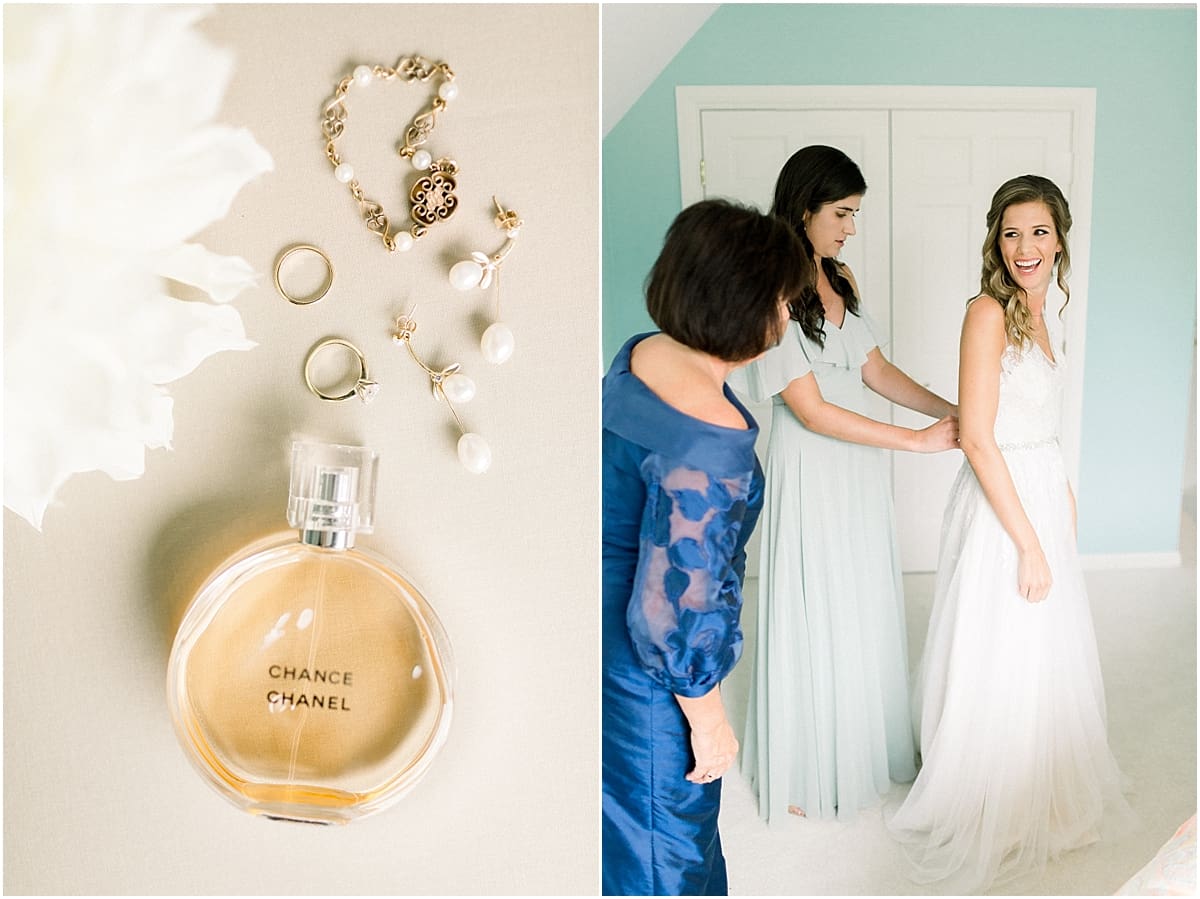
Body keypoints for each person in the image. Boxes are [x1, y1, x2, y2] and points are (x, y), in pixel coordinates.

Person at [887, 175, 1136, 892]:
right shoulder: (988, 312)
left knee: (1044, 649)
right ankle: (991, 796)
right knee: (1001, 640)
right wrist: (1028, 538)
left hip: (1039, 493)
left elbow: (1041, 427)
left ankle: (1041, 788)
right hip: (1001, 505)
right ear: (996, 240)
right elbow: (979, 438)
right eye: (1011, 232)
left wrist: (1061, 500)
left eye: (1039, 232)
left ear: (1060, 238)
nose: (1025, 247)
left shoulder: (1041, 309)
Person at [733, 145, 959, 822]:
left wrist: (953, 409)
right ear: (804, 209)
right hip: (813, 466)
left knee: (859, 597)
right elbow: (811, 409)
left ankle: (863, 743)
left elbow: (876, 373)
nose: (850, 227)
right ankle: (804, 765)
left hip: (856, 465)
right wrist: (916, 442)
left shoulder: (840, 279)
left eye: (855, 213)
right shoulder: (767, 291)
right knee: (815, 603)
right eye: (842, 212)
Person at [602, 199, 811, 895]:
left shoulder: (643, 351)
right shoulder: (708, 431)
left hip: (594, 617)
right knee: (665, 846)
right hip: (643, 667)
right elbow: (675, 608)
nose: (787, 314)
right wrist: (710, 717)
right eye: (784, 299)